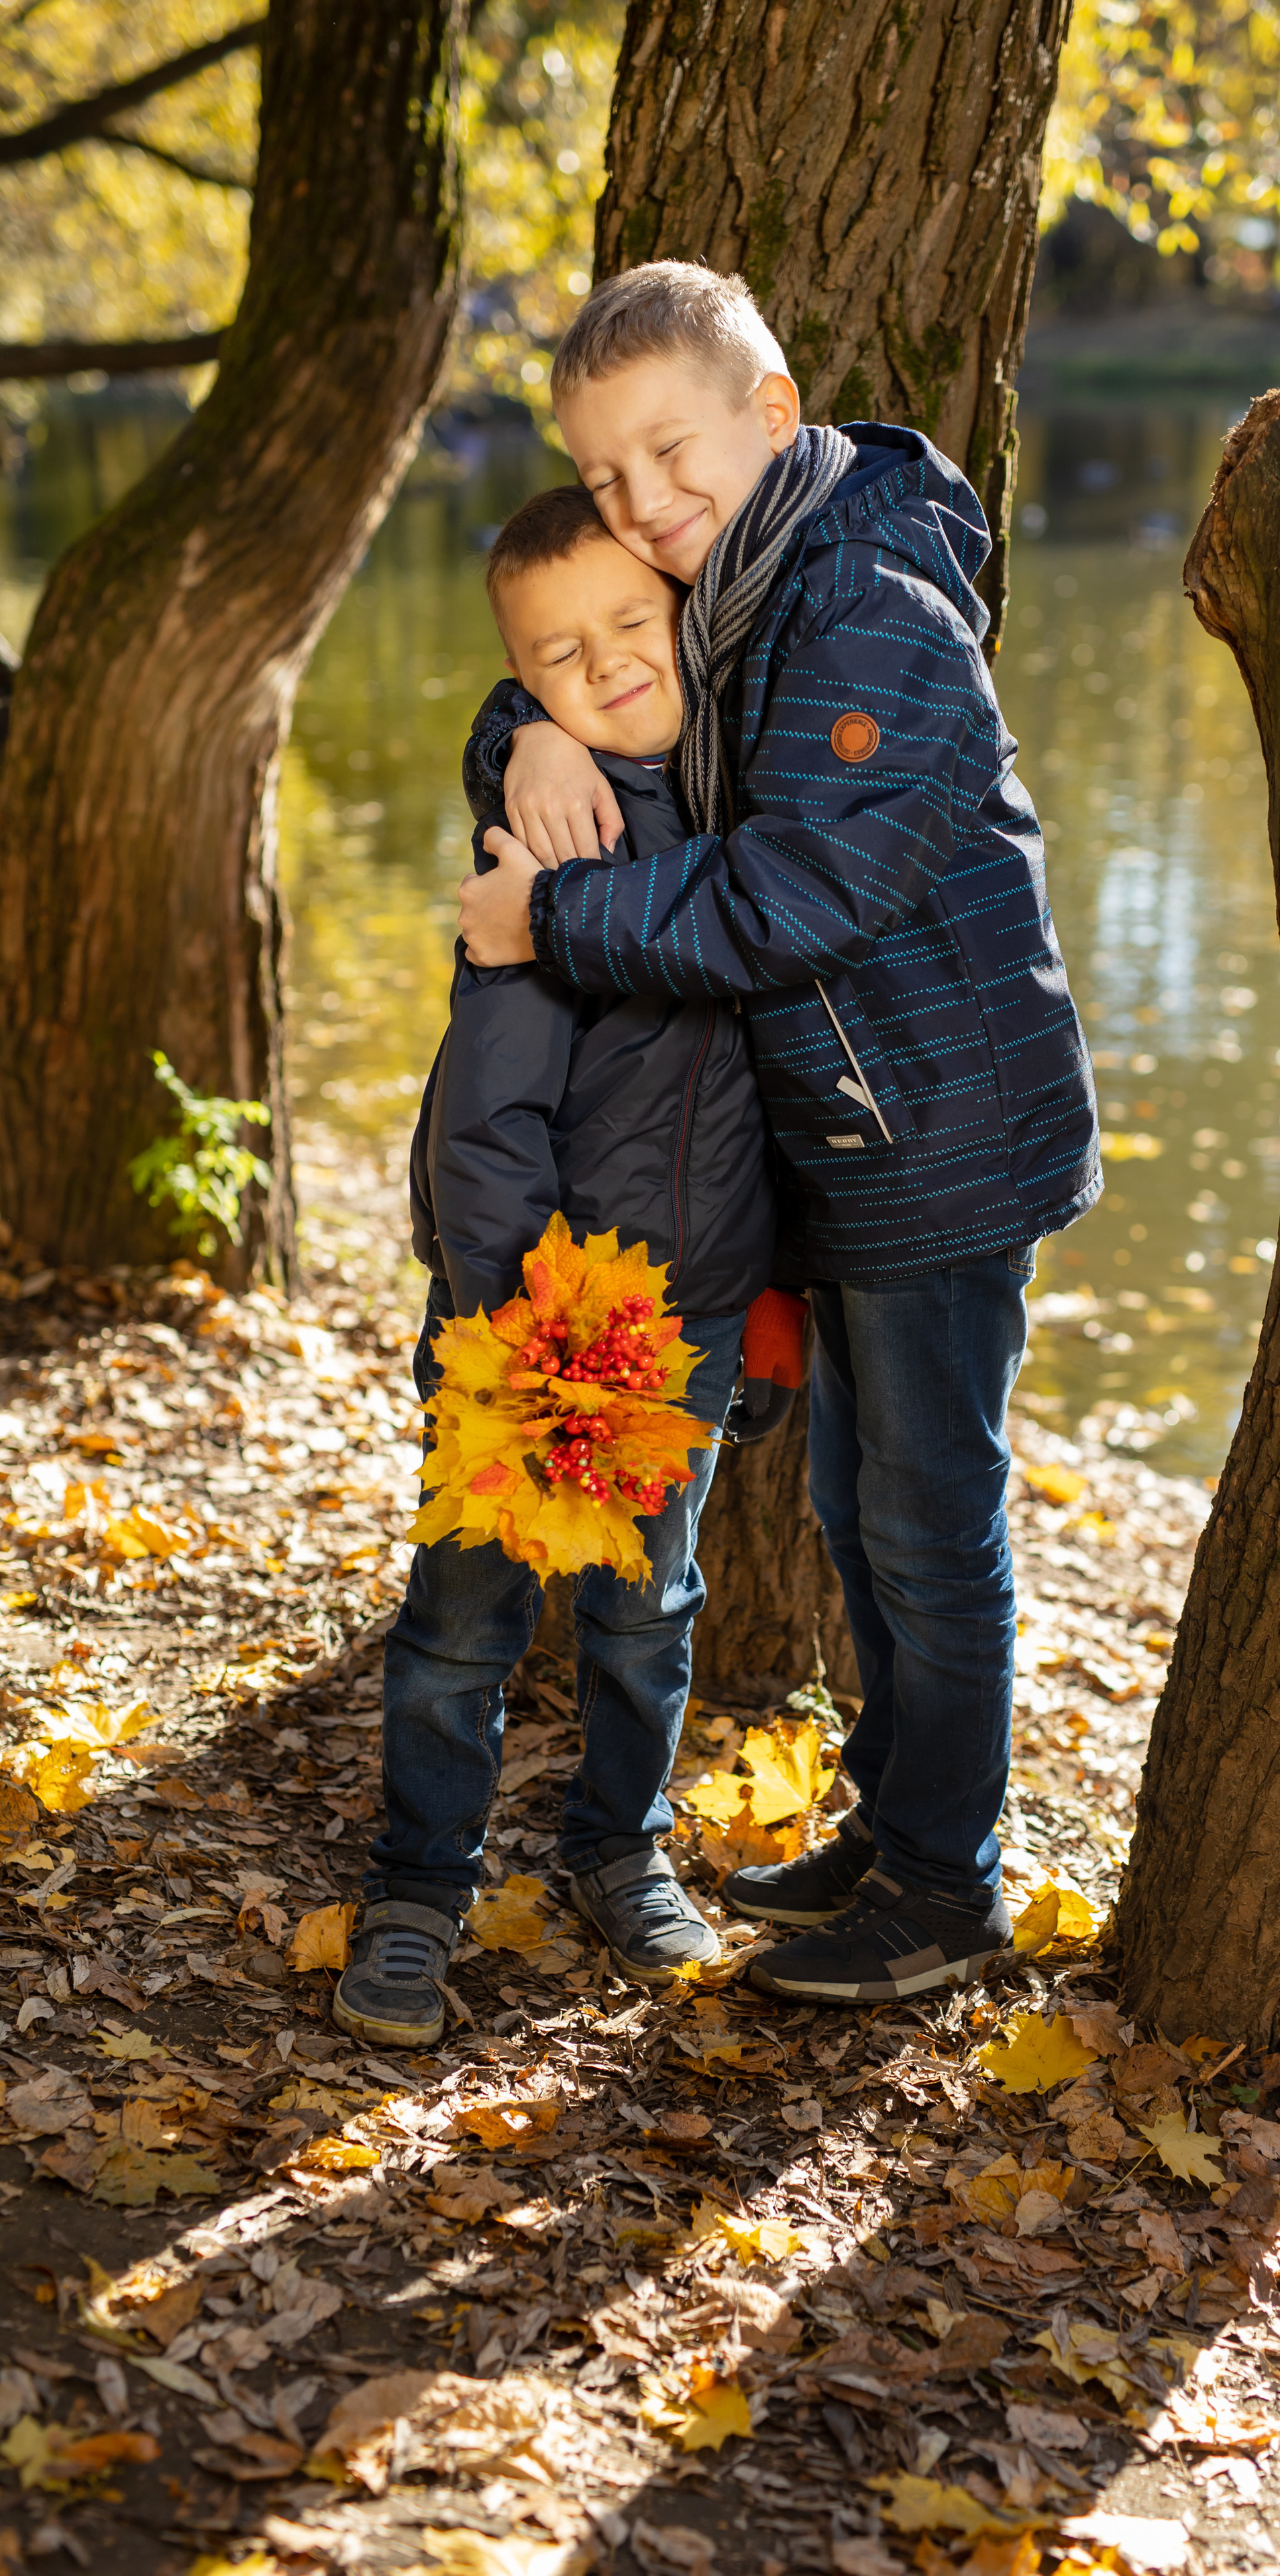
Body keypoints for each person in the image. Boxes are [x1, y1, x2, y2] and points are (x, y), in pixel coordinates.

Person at [458, 262, 1101, 2008]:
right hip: (845, 1139)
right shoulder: (735, 576)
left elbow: (793, 894)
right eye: (603, 480)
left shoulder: (867, 594)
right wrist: (520, 736)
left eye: (669, 454)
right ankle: (898, 1834)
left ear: (771, 411)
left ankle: (948, 1888)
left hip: (939, 1139)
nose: (641, 505)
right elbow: (601, 694)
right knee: (856, 1501)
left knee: (931, 1521)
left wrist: (555, 925)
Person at [334, 482, 794, 2049]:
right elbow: (488, 1109)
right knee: (464, 1614)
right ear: (517, 689)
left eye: (629, 625)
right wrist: (512, 1320)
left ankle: (616, 1846)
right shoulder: (548, 839)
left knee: (648, 1609)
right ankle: (417, 1887)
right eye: (552, 658)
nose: (600, 666)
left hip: (693, 1316)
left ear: (690, 615)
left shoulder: (766, 810)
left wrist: (760, 1313)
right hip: (524, 1313)